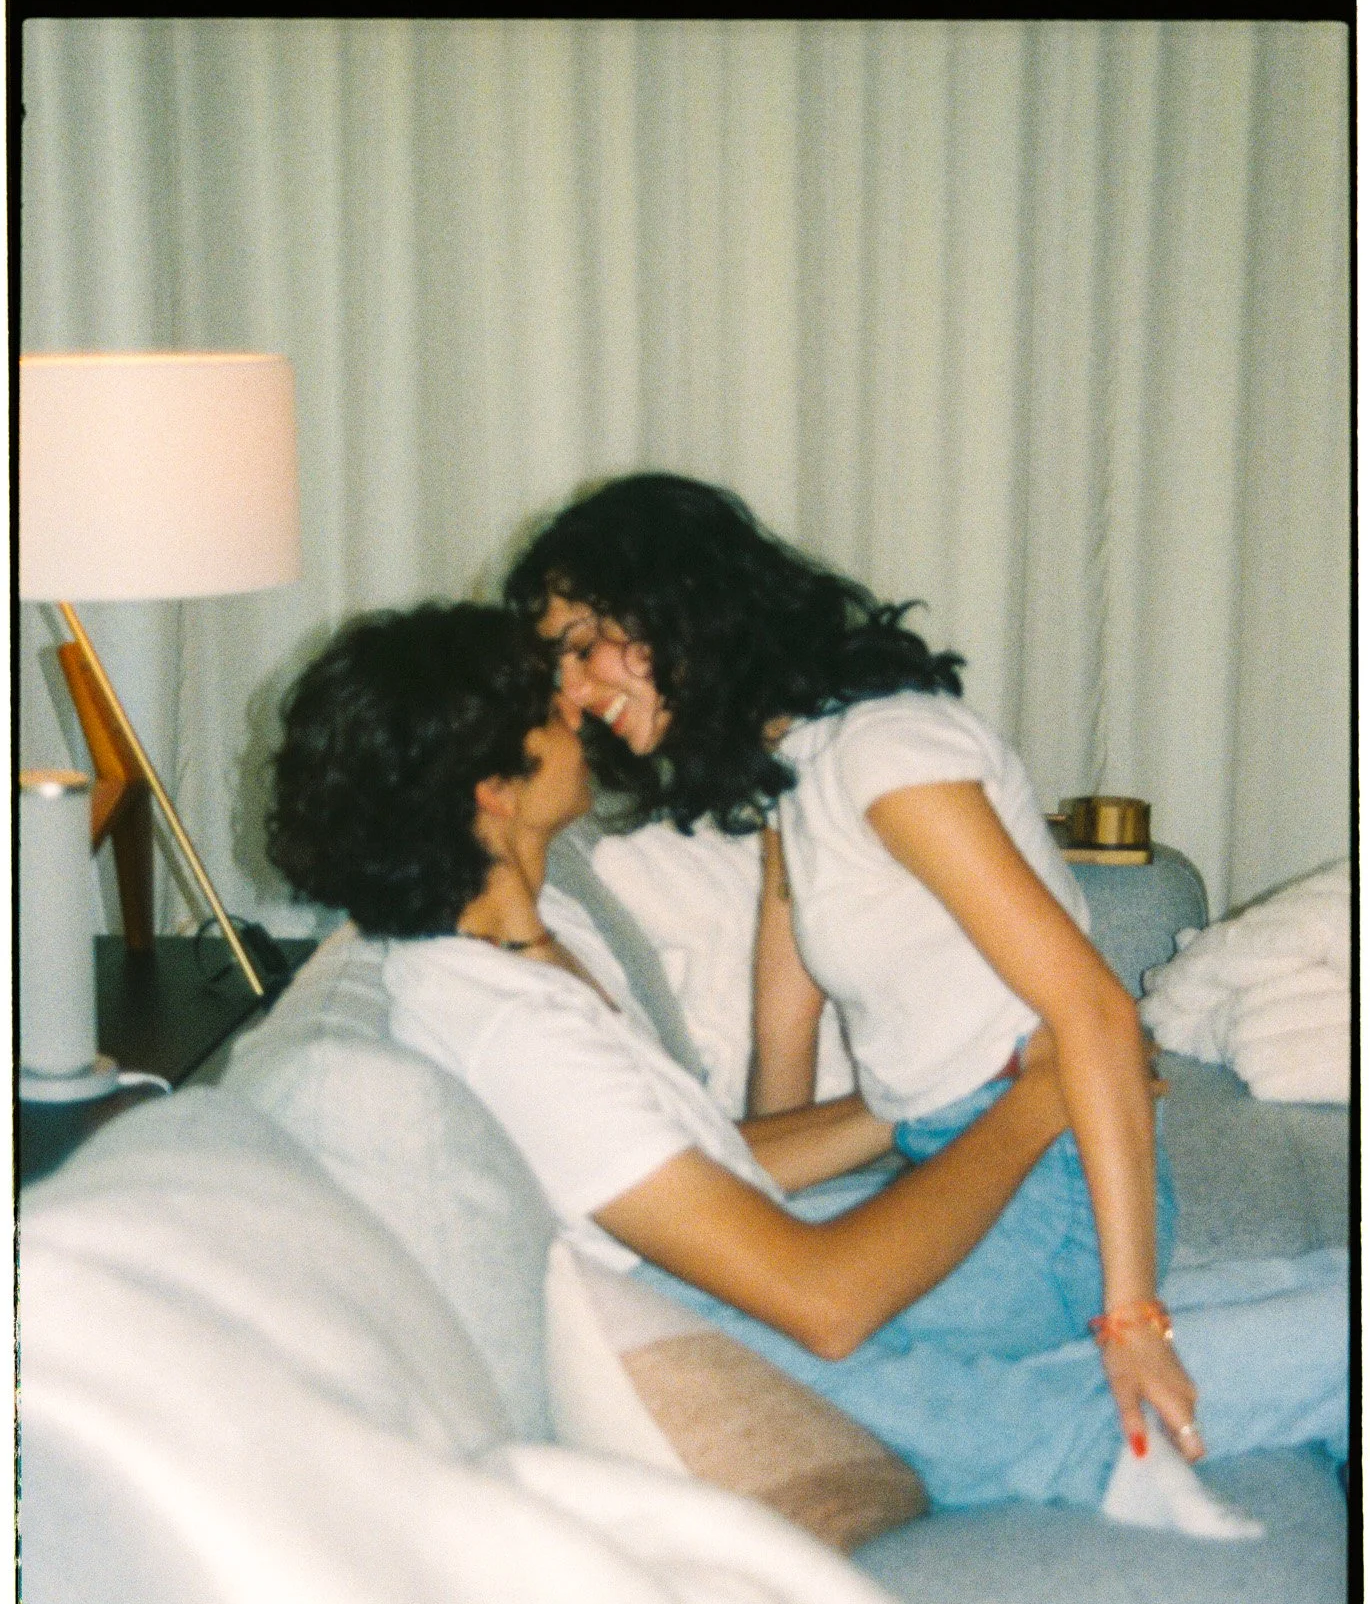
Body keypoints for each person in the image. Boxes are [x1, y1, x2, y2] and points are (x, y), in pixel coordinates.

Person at [265, 599, 1346, 1528]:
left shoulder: (489, 967)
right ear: (490, 787)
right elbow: (819, 1300)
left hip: (887, 1362)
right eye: (543, 707)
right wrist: (1033, 1104)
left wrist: (897, 1110)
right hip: (977, 1417)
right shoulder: (503, 1031)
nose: (576, 707)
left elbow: (690, 1163)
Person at [504, 474, 1184, 1466]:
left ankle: (1091, 1420)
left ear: (674, 607)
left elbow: (1094, 1010)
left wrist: (1131, 1315)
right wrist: (757, 1221)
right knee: (641, 1294)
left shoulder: (887, 749)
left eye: (578, 644)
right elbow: (785, 1032)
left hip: (1057, 1191)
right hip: (947, 1158)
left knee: (697, 1334)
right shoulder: (797, 770)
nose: (568, 690)